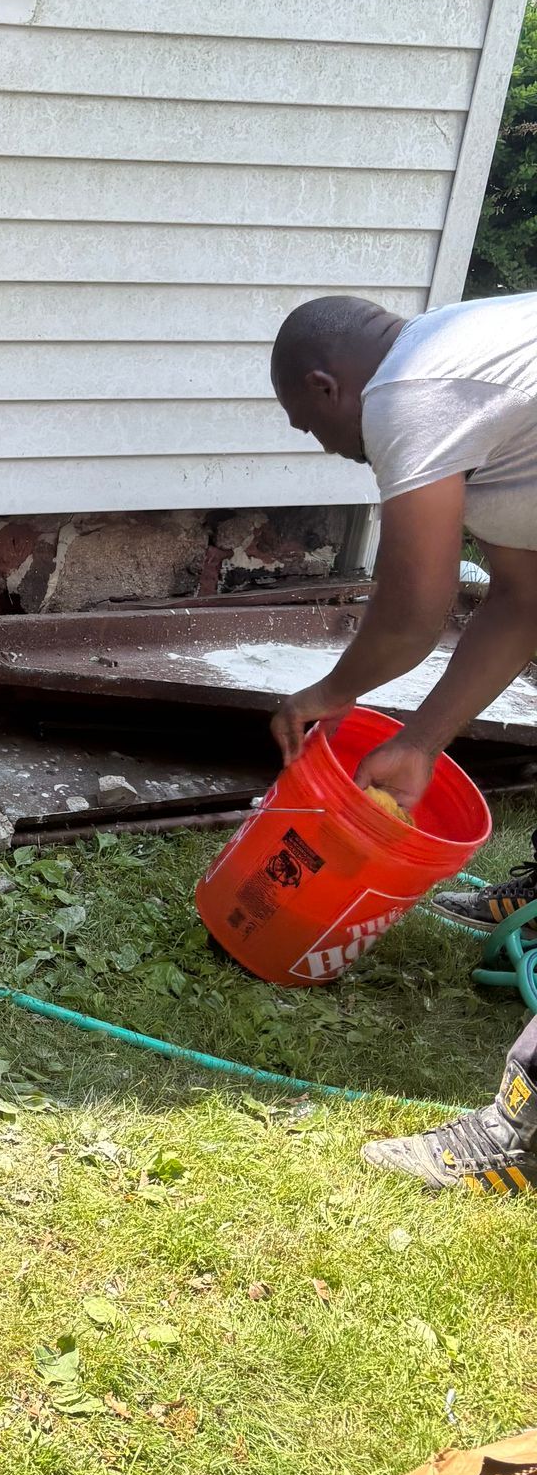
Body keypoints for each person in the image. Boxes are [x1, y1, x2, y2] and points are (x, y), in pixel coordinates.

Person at [268, 291, 537, 1191]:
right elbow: (523, 601)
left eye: (309, 425)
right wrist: (422, 741)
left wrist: (331, 693)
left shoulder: (410, 389)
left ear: (328, 385)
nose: (324, 446)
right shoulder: (484, 375)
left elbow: (415, 605)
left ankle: (522, 1140)